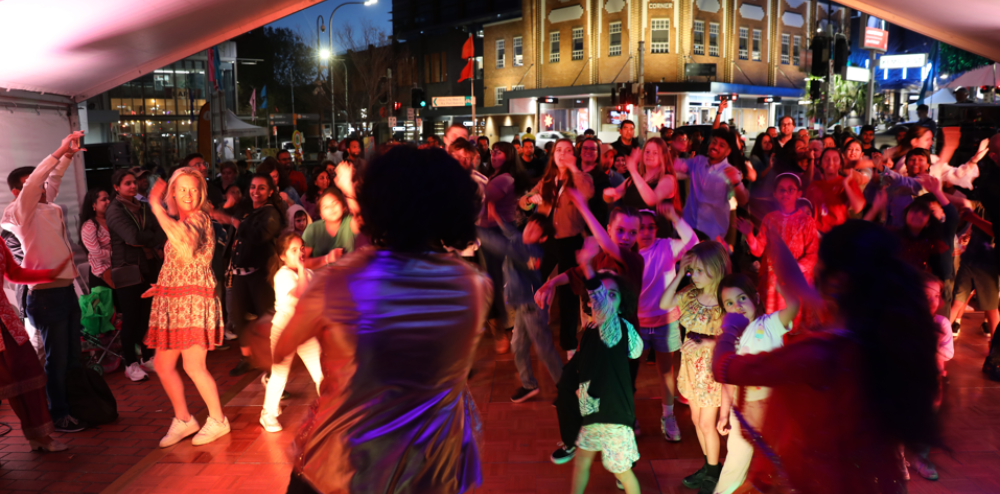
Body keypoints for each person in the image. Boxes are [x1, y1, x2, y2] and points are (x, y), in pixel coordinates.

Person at [275, 145, 489, 494]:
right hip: (431, 466)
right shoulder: (474, 287)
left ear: (377, 205)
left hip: (344, 464)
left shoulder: (342, 280)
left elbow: (279, 347)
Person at [712, 220, 941, 494]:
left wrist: (730, 329)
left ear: (836, 282)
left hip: (823, 480)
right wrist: (774, 241)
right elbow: (801, 289)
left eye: (820, 262)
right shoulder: (873, 331)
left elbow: (728, 369)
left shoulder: (820, 354)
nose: (813, 272)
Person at [2, 132, 90, 433]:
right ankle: (59, 414)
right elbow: (42, 177)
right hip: (44, 297)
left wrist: (67, 157)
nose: (41, 187)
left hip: (64, 291)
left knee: (72, 357)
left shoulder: (46, 206)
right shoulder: (19, 212)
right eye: (31, 185)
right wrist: (58, 151)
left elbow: (51, 180)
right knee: (57, 359)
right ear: (17, 192)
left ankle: (75, 407)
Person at [144, 167, 229, 447]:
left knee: (194, 365)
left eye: (193, 189)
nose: (188, 194)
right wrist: (163, 287)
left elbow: (186, 243)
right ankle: (184, 419)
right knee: (162, 364)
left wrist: (156, 206)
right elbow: (179, 262)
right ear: (173, 192)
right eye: (182, 189)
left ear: (201, 192)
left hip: (195, 299)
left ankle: (218, 420)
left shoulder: (199, 218)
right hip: (173, 298)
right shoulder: (180, 220)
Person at [713, 231, 803, 494]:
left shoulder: (770, 325)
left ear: (756, 299)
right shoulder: (728, 338)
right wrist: (723, 412)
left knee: (779, 467)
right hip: (741, 413)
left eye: (742, 298)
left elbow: (794, 307)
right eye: (729, 303)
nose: (737, 305)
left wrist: (784, 288)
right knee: (735, 464)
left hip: (772, 411)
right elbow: (727, 377)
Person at [568, 238, 644, 494]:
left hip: (612, 416)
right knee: (582, 462)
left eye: (612, 295)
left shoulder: (613, 328)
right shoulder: (593, 329)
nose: (604, 299)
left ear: (621, 304)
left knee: (622, 471)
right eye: (601, 294)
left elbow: (635, 350)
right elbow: (635, 352)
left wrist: (587, 266)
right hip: (595, 411)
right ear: (588, 302)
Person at [660, 241, 731, 494]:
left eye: (699, 271)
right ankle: (708, 465)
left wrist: (710, 342)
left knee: (706, 424)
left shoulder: (727, 299)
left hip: (711, 374)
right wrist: (680, 274)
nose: (695, 276)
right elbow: (664, 303)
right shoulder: (690, 293)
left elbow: (737, 337)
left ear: (717, 268)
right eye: (692, 271)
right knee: (694, 419)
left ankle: (714, 471)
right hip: (691, 368)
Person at [478, 209, 563, 403]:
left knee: (544, 350)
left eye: (535, 230)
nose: (529, 230)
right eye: (530, 224)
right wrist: (498, 215)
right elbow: (511, 233)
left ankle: (564, 387)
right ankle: (528, 385)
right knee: (518, 345)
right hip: (523, 307)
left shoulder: (531, 252)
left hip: (532, 308)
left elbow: (502, 246)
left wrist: (474, 229)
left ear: (542, 239)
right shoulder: (521, 241)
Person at [520, 139, 595, 356]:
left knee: (567, 296)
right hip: (547, 241)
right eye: (558, 151)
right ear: (552, 155)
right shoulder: (547, 180)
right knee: (532, 282)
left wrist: (573, 167)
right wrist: (529, 199)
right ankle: (533, 328)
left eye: (568, 151)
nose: (562, 154)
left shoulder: (581, 178)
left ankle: (569, 345)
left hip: (570, 241)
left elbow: (587, 192)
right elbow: (524, 201)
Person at [636, 204, 696, 442]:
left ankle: (668, 416)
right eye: (641, 228)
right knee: (630, 371)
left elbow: (692, 242)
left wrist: (674, 217)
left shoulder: (666, 247)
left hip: (666, 321)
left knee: (665, 370)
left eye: (651, 227)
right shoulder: (629, 253)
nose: (647, 232)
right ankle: (629, 416)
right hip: (637, 322)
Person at [740, 173, 820, 335]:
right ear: (775, 194)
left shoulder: (807, 221)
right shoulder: (769, 219)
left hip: (796, 280)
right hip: (774, 281)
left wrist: (792, 269)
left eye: (791, 190)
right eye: (781, 190)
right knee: (775, 325)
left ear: (799, 193)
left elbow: (812, 255)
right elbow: (758, 250)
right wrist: (749, 235)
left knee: (796, 324)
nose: (785, 194)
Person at [259, 232, 324, 432]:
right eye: (294, 250)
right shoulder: (284, 275)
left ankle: (332, 410)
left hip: (305, 333)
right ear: (283, 256)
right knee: (280, 375)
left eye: (301, 249)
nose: (300, 253)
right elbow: (301, 294)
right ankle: (267, 415)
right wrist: (304, 268)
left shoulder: (309, 274)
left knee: (321, 373)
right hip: (284, 332)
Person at [106, 169, 165, 381]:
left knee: (147, 317)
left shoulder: (144, 207)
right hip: (128, 271)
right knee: (131, 319)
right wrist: (151, 237)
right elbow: (133, 237)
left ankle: (146, 357)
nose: (132, 186)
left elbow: (162, 230)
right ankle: (129, 363)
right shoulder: (114, 210)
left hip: (148, 267)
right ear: (117, 188)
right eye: (127, 183)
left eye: (134, 182)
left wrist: (148, 236)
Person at [227, 173, 285, 376]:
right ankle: (247, 358)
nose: (255, 191)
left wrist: (235, 223)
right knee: (238, 317)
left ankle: (273, 364)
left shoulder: (271, 213)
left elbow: (260, 235)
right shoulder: (248, 210)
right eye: (253, 187)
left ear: (270, 191)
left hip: (261, 273)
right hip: (241, 272)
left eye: (261, 188)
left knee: (266, 318)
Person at [674, 130, 750, 241]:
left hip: (711, 236)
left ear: (728, 152)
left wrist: (736, 183)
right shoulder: (698, 162)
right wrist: (673, 150)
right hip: (687, 230)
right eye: (714, 142)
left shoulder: (730, 171)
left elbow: (743, 200)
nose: (715, 146)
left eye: (721, 145)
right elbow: (674, 165)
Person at [604, 137, 682, 238]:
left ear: (663, 156)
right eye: (647, 151)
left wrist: (633, 170)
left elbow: (651, 199)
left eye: (655, 153)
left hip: (657, 238)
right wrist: (607, 195)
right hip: (633, 236)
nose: (650, 155)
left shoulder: (668, 179)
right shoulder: (634, 179)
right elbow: (613, 196)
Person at [805, 148, 866, 234]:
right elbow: (806, 211)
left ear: (841, 164)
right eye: (826, 159)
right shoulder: (813, 186)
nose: (831, 162)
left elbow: (858, 207)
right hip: (816, 234)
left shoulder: (848, 182)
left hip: (839, 234)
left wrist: (846, 185)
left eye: (835, 159)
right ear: (820, 163)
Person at [302, 186, 359, 269]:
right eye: (326, 207)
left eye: (335, 203)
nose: (331, 209)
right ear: (321, 214)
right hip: (321, 279)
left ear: (344, 206)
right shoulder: (312, 230)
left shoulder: (351, 222)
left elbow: (360, 211)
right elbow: (302, 262)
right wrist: (327, 259)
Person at [79, 189, 113, 290]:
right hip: (102, 274)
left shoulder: (112, 220)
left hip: (118, 269)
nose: (108, 202)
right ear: (93, 204)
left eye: (108, 198)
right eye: (104, 199)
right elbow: (96, 253)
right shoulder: (89, 226)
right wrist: (116, 254)